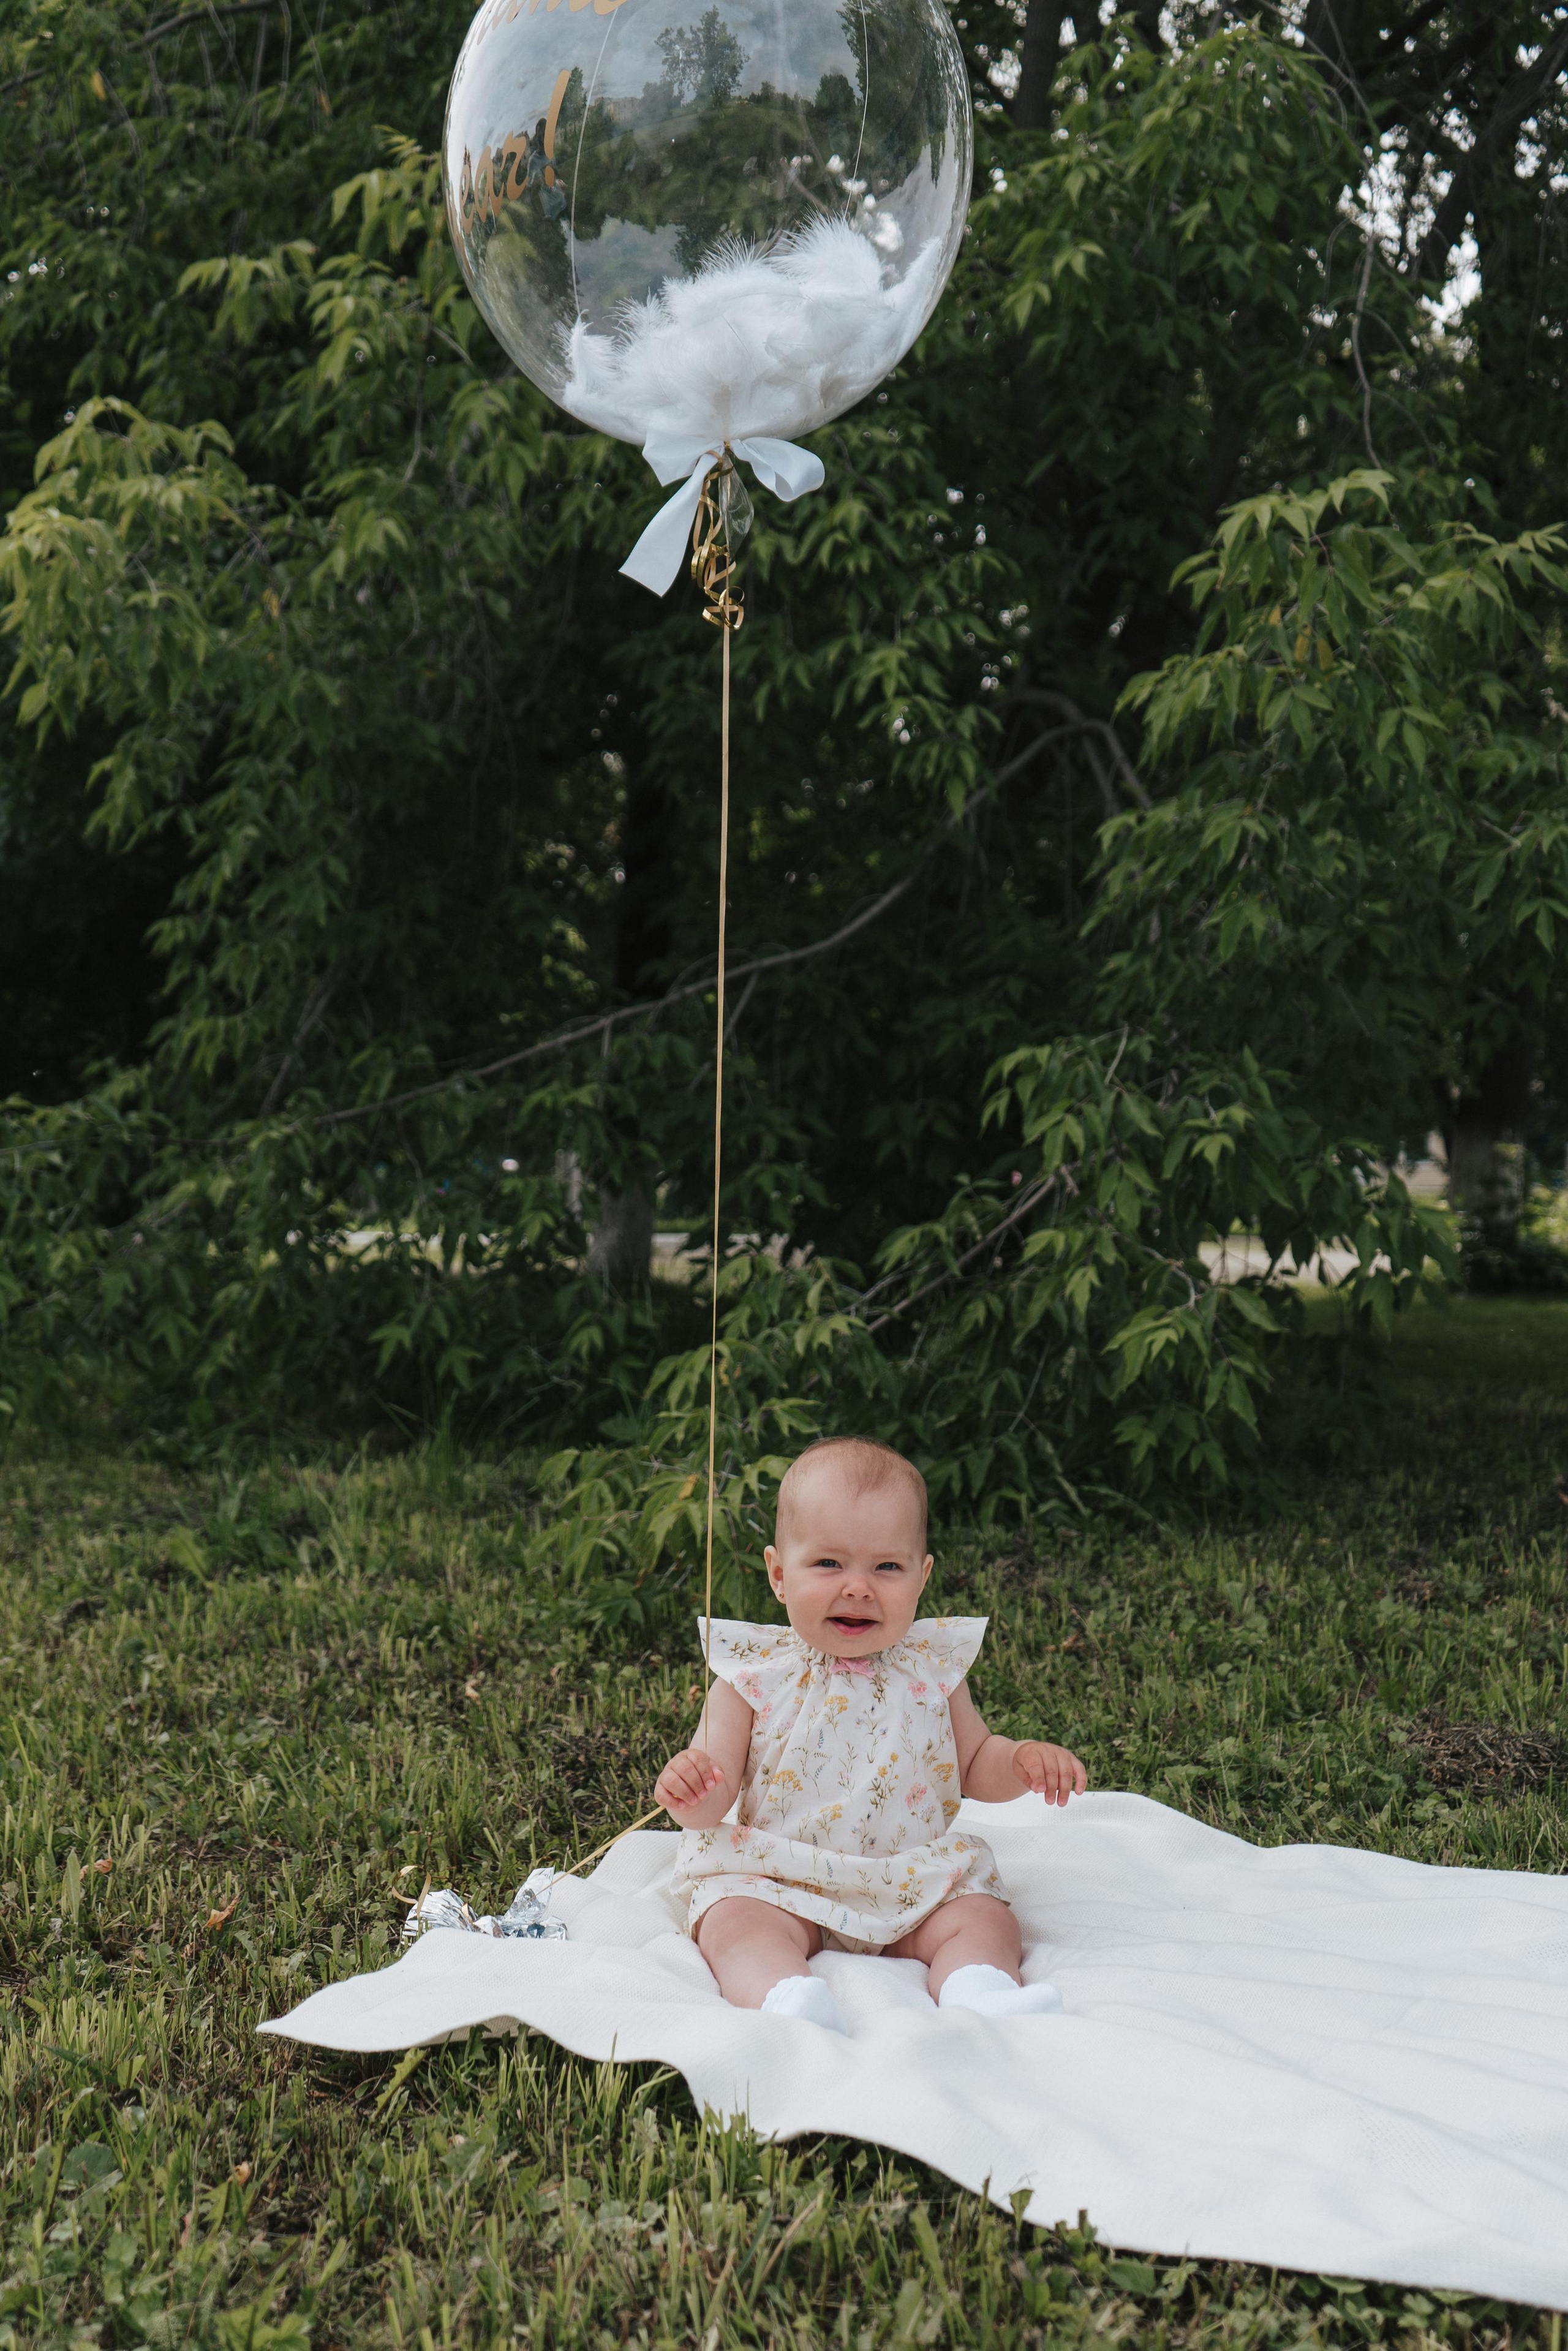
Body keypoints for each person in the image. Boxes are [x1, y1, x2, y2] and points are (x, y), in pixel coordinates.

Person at [656, 1435, 1087, 2032]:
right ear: (779, 1574)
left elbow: (974, 1763)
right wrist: (691, 1790)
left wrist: (1019, 1761)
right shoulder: (752, 1676)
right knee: (734, 1920)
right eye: (828, 1564)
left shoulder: (932, 1670)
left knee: (984, 1916)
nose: (858, 1586)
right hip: (780, 1874)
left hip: (910, 1878)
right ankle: (782, 1998)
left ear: (921, 1576)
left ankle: (979, 1988)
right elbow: (715, 1791)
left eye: (887, 1567)